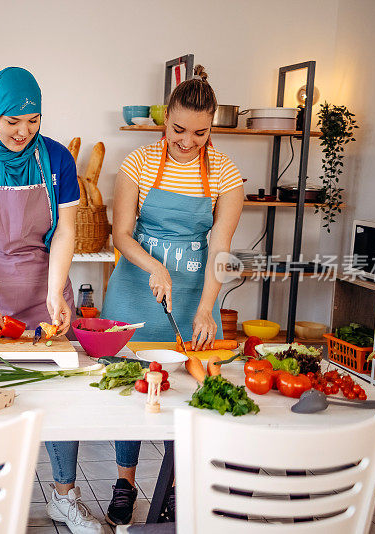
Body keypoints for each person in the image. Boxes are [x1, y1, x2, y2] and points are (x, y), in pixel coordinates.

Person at [0, 67, 103, 533]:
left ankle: (64, 497)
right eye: (13, 120)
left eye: (32, 120)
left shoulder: (55, 160)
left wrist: (55, 289)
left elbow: (66, 231)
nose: (23, 131)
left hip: (44, 287)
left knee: (60, 398)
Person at [99, 65, 244, 525]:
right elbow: (121, 235)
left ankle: (178, 484)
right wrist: (155, 266)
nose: (187, 140)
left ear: (211, 126)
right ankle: (125, 481)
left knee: (188, 394)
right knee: (131, 391)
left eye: (200, 132)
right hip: (135, 292)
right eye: (179, 129)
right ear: (165, 120)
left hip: (192, 298)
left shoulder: (224, 172)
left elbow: (220, 248)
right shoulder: (137, 162)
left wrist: (206, 307)